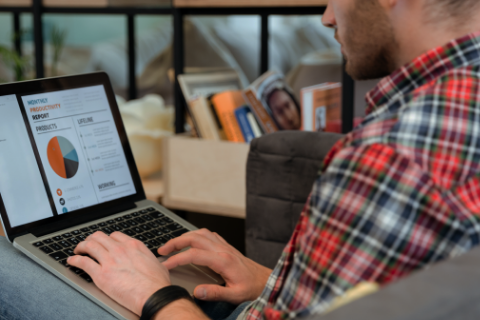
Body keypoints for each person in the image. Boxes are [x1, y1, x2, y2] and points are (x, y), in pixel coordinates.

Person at [2, 0, 480, 319]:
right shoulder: (458, 110)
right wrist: (269, 281)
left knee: (7, 255)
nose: (328, 16)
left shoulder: (389, 157)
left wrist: (154, 295)